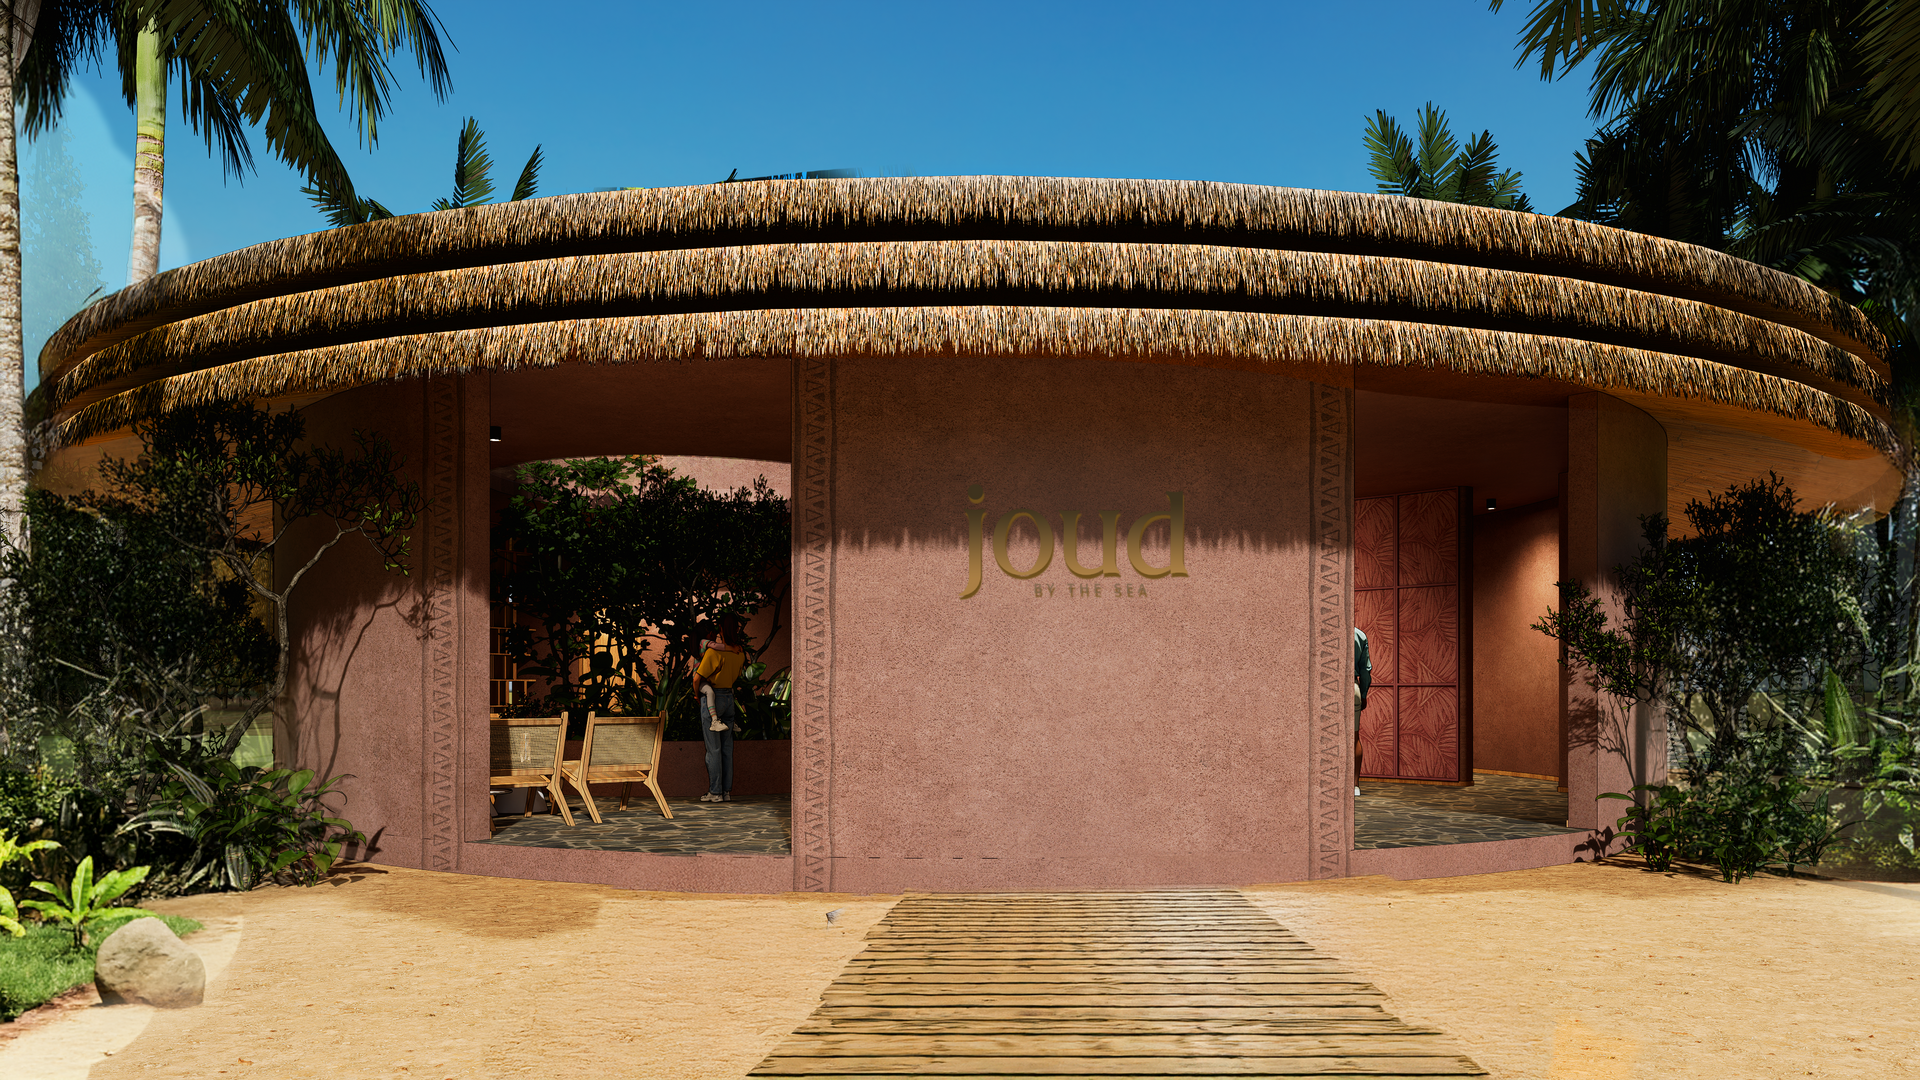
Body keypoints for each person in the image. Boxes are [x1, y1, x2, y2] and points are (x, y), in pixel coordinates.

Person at [692, 615, 748, 803]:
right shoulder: (740, 653)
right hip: (729, 699)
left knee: (713, 749)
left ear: (722, 630)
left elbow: (697, 678)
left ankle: (715, 792)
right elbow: (738, 674)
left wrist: (696, 695)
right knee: (726, 748)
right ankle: (726, 792)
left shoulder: (713, 653)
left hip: (713, 698)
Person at [1354, 627, 1371, 797]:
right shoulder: (1359, 635)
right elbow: (1365, 671)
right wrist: (1364, 693)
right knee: (1354, 738)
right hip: (1352, 686)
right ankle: (1355, 785)